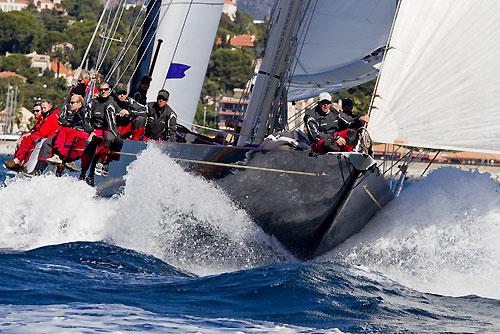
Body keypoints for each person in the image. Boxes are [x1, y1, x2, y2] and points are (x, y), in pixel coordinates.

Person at [79, 81, 122, 186]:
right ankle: (83, 173)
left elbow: (119, 111)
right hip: (95, 130)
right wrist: (91, 131)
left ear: (109, 90)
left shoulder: (113, 101)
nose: (103, 92)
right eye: (101, 90)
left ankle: (98, 169)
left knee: (111, 141)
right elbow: (86, 120)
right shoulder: (93, 103)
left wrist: (124, 112)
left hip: (108, 131)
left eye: (105, 90)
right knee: (89, 149)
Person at [4, 99, 60, 171]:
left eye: (43, 108)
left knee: (29, 138)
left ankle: (19, 160)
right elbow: (38, 129)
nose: (42, 110)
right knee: (25, 138)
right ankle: (21, 161)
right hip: (46, 139)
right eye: (42, 108)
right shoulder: (47, 117)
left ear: (50, 107)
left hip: (49, 141)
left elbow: (42, 133)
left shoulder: (52, 117)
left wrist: (31, 134)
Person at [304, 92, 368, 153]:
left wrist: (360, 119)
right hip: (320, 141)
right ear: (318, 103)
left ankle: (347, 153)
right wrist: (334, 138)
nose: (325, 105)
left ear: (331, 103)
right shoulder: (310, 116)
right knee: (328, 144)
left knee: (352, 132)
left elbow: (350, 121)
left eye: (328, 103)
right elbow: (316, 136)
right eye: (323, 103)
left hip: (335, 137)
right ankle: (337, 153)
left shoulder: (334, 112)